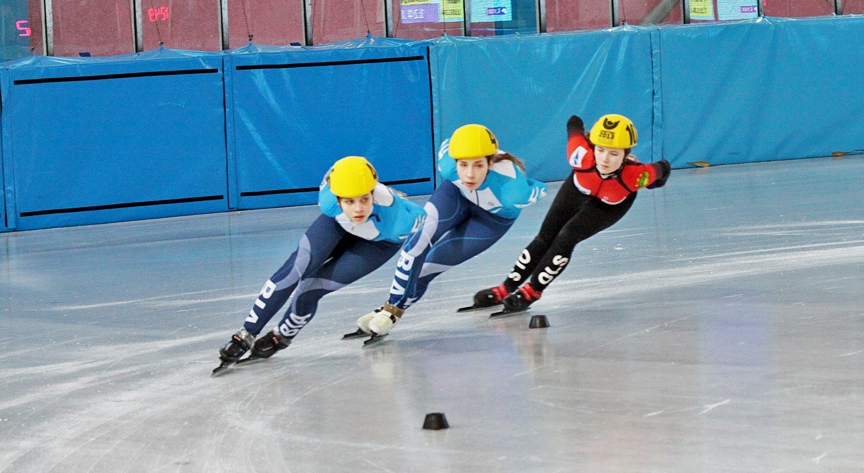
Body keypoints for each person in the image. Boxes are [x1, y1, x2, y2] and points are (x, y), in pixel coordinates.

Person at [217, 156, 427, 365]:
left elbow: (423, 230)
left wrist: (396, 305)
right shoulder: (327, 200)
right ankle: (246, 334)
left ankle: (281, 336)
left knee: (310, 288)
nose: (358, 209)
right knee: (295, 268)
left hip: (379, 242)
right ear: (337, 199)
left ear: (373, 193)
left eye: (364, 199)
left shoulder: (400, 221)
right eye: (349, 201)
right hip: (337, 224)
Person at [356, 124, 547, 336]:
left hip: (492, 219)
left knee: (429, 267)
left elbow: (541, 189)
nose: (469, 174)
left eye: (478, 165)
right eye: (463, 165)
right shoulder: (446, 163)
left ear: (490, 163)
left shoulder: (513, 191)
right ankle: (390, 309)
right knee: (416, 243)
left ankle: (393, 311)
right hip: (456, 195)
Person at [470, 113, 671, 313]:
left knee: (567, 237)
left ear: (626, 155)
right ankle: (505, 288)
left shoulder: (636, 176)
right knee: (544, 237)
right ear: (592, 146)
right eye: (600, 150)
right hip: (578, 187)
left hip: (611, 203)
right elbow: (573, 123)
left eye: (614, 154)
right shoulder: (579, 153)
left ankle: (532, 291)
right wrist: (579, 125)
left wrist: (656, 182)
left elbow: (663, 168)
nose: (605, 159)